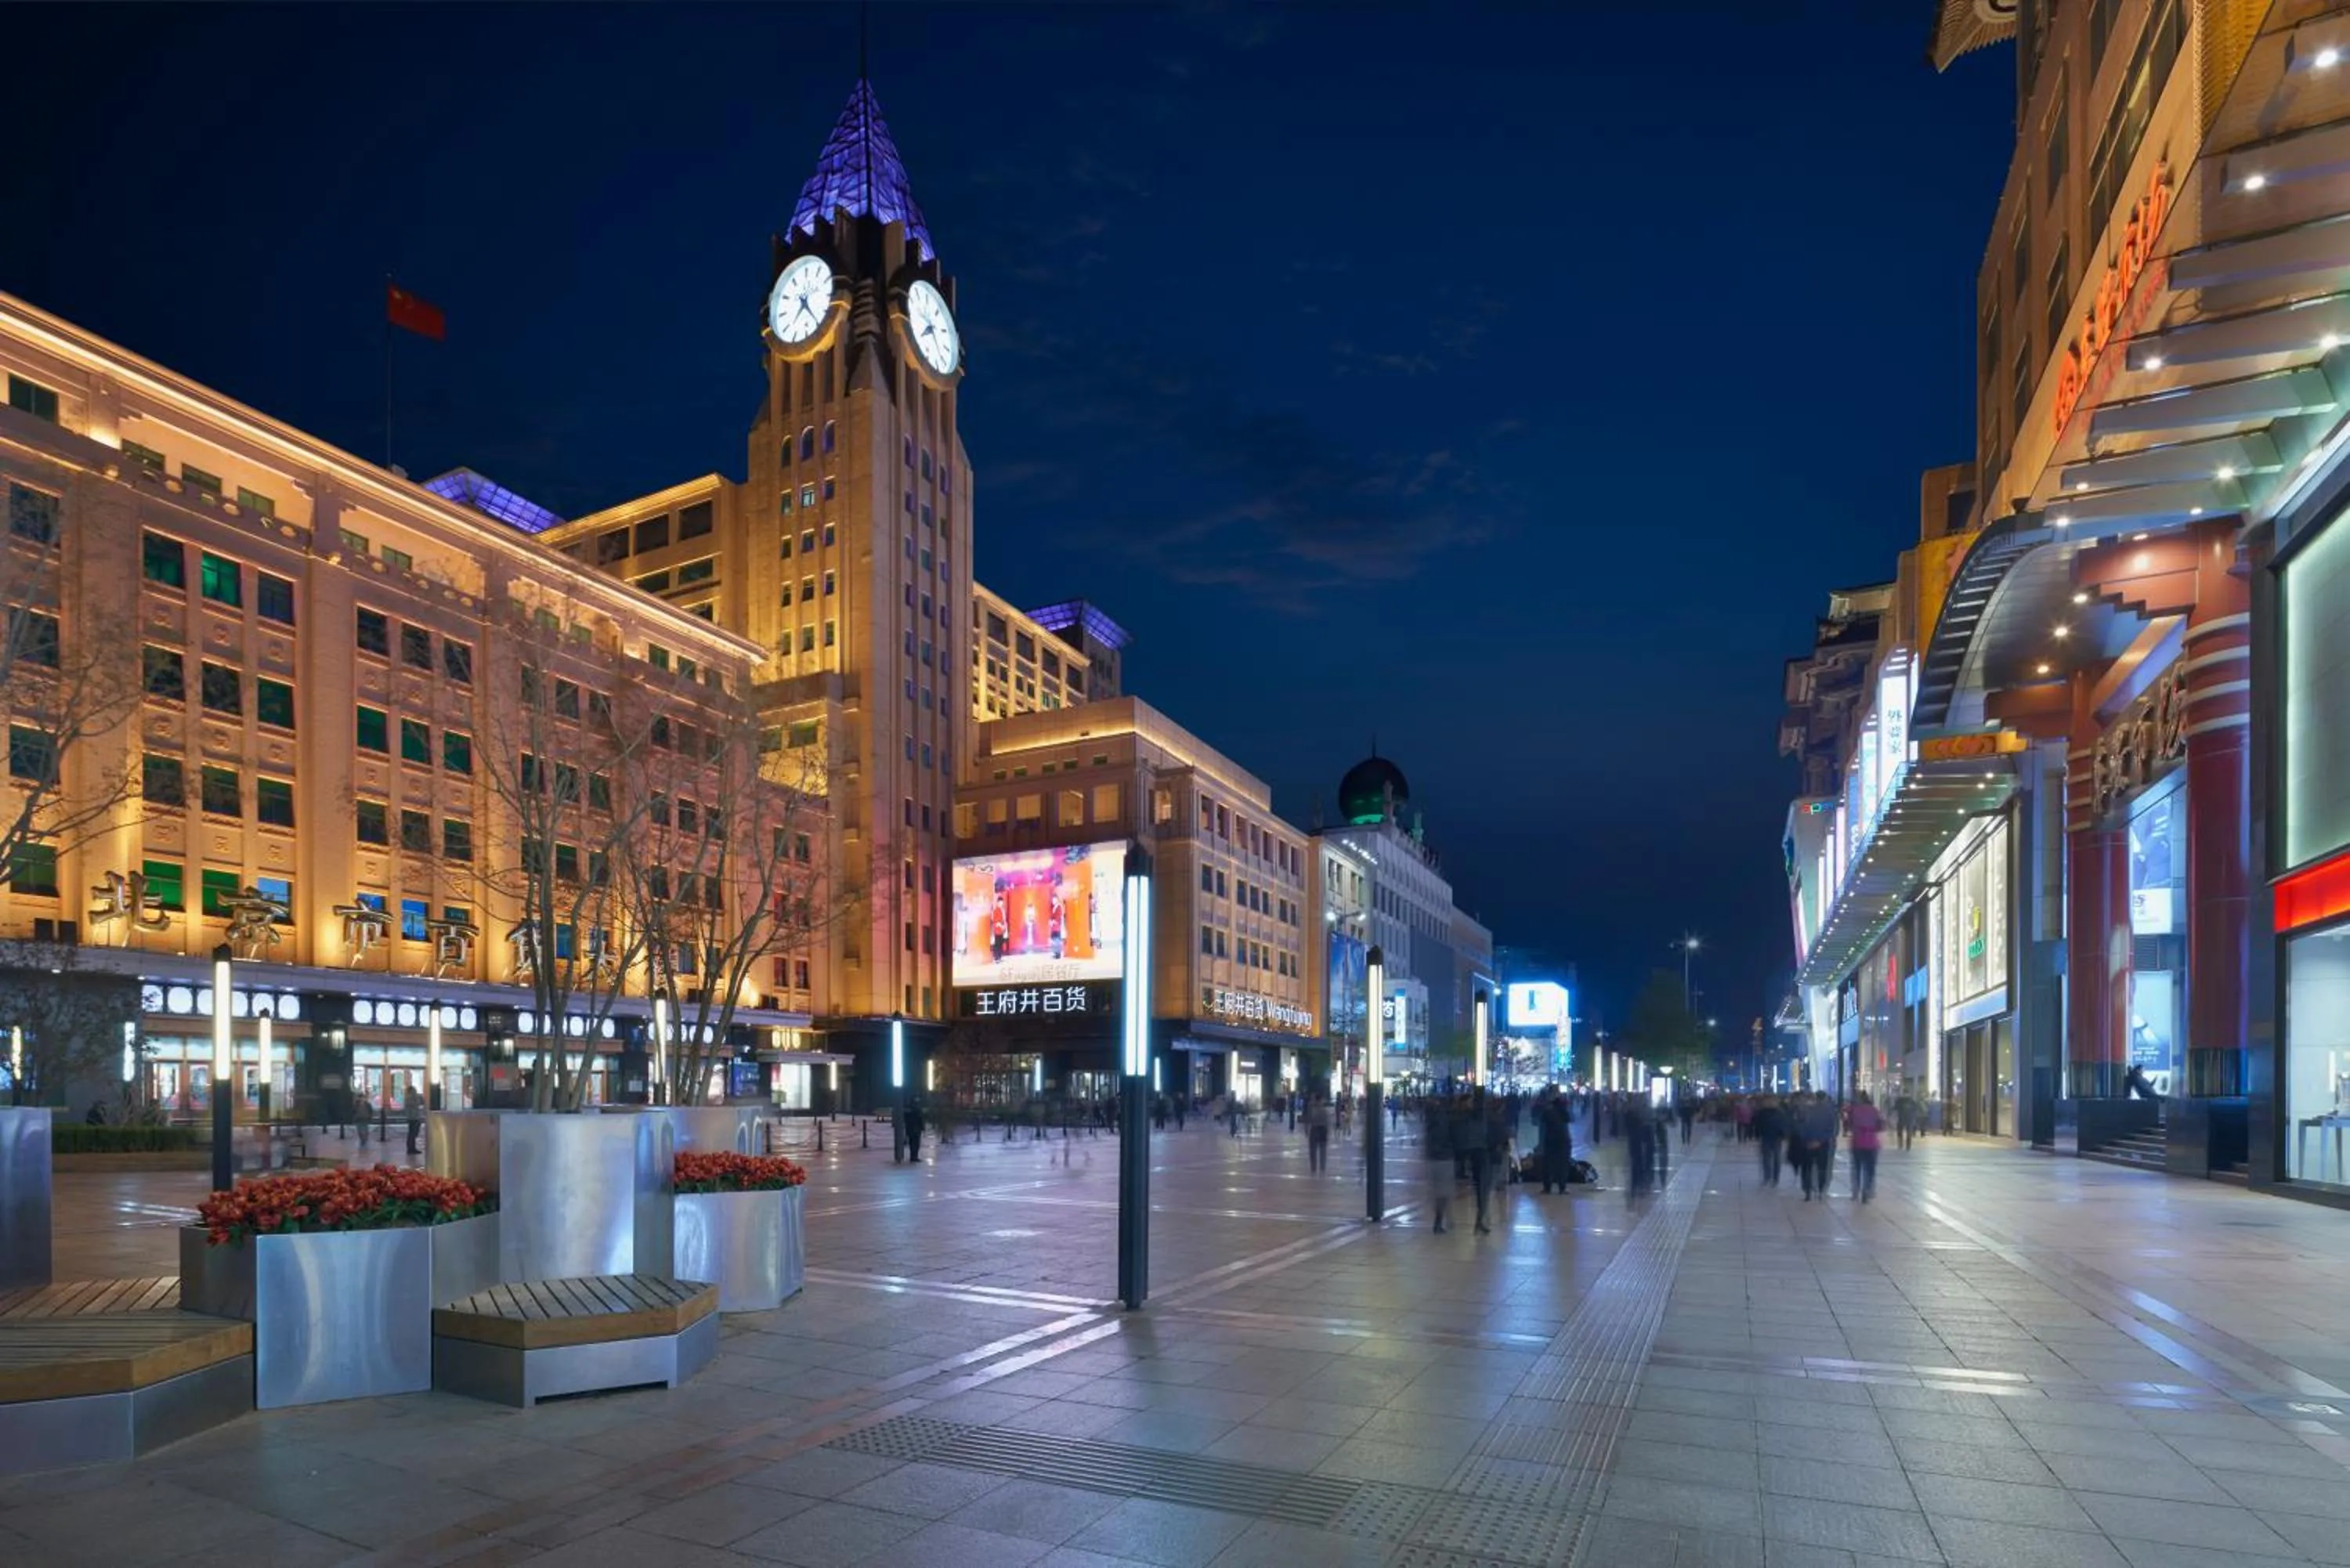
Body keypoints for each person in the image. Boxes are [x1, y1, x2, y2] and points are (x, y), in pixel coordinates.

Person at [1423, 1093, 1456, 1233]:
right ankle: (1441, 1220)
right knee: (1444, 1191)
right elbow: (1448, 1137)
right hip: (1444, 1157)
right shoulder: (1444, 1119)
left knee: (1439, 1192)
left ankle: (1442, 1219)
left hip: (1433, 1157)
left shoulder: (1430, 1119)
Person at [1848, 1090, 1883, 1202]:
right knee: (1870, 1169)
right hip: (1871, 1142)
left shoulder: (1854, 1111)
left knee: (1856, 1168)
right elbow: (1880, 1125)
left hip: (1857, 1142)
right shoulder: (1874, 1110)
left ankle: (1855, 1191)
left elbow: (1849, 1125)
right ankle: (1866, 1191)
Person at [1536, 1087, 1572, 1193]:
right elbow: (1569, 1118)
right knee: (1562, 1164)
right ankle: (1562, 1187)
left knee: (1548, 1164)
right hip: (1563, 1138)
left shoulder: (1547, 1108)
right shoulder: (1563, 1106)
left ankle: (1548, 1187)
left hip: (1551, 1139)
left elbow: (1541, 1120)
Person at [1754, 1094, 1786, 1187]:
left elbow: (1784, 1125)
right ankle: (1767, 1177)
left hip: (1777, 1138)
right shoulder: (1762, 1113)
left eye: (1772, 1101)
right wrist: (1757, 1134)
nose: (1770, 1103)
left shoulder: (1780, 1113)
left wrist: (1783, 1134)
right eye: (1768, 1101)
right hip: (1766, 1138)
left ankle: (1775, 1178)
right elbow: (1758, 1124)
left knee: (1777, 1159)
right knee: (1766, 1159)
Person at [1307, 1092, 1332, 1172]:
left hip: (1315, 1129)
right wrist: (1328, 1131)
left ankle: (1314, 1168)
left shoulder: (1312, 1109)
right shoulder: (1324, 1110)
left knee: (1313, 1150)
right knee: (1322, 1150)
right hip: (1322, 1130)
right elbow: (1327, 1122)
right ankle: (1322, 1167)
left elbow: (1309, 1120)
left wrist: (1307, 1129)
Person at [904, 1095, 927, 1162]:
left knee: (912, 1143)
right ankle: (914, 1156)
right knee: (916, 1143)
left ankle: (913, 1156)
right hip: (916, 1129)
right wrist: (922, 1127)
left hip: (911, 1128)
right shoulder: (917, 1110)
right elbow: (920, 1119)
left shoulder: (909, 1109)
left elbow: (906, 1119)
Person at [403, 1083, 423, 1156]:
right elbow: (416, 1105)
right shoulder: (409, 1098)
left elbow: (422, 1102)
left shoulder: (415, 1097)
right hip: (413, 1118)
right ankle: (411, 1148)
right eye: (414, 1091)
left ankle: (412, 1147)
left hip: (415, 1117)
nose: (416, 1092)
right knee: (412, 1134)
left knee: (413, 1134)